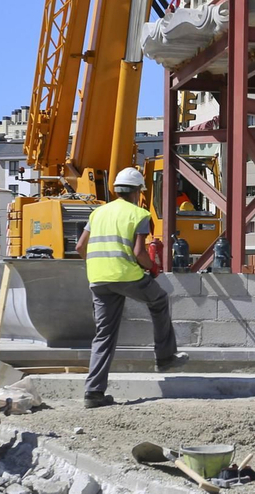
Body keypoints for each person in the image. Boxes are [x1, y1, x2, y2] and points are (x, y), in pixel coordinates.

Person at [75, 167, 188, 408]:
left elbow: (80, 246)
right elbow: (139, 253)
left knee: (104, 335)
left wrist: (97, 265)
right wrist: (154, 269)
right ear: (138, 191)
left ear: (117, 190)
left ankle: (93, 393)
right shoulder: (139, 214)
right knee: (158, 300)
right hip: (126, 274)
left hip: (98, 278)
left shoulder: (98, 213)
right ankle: (165, 357)